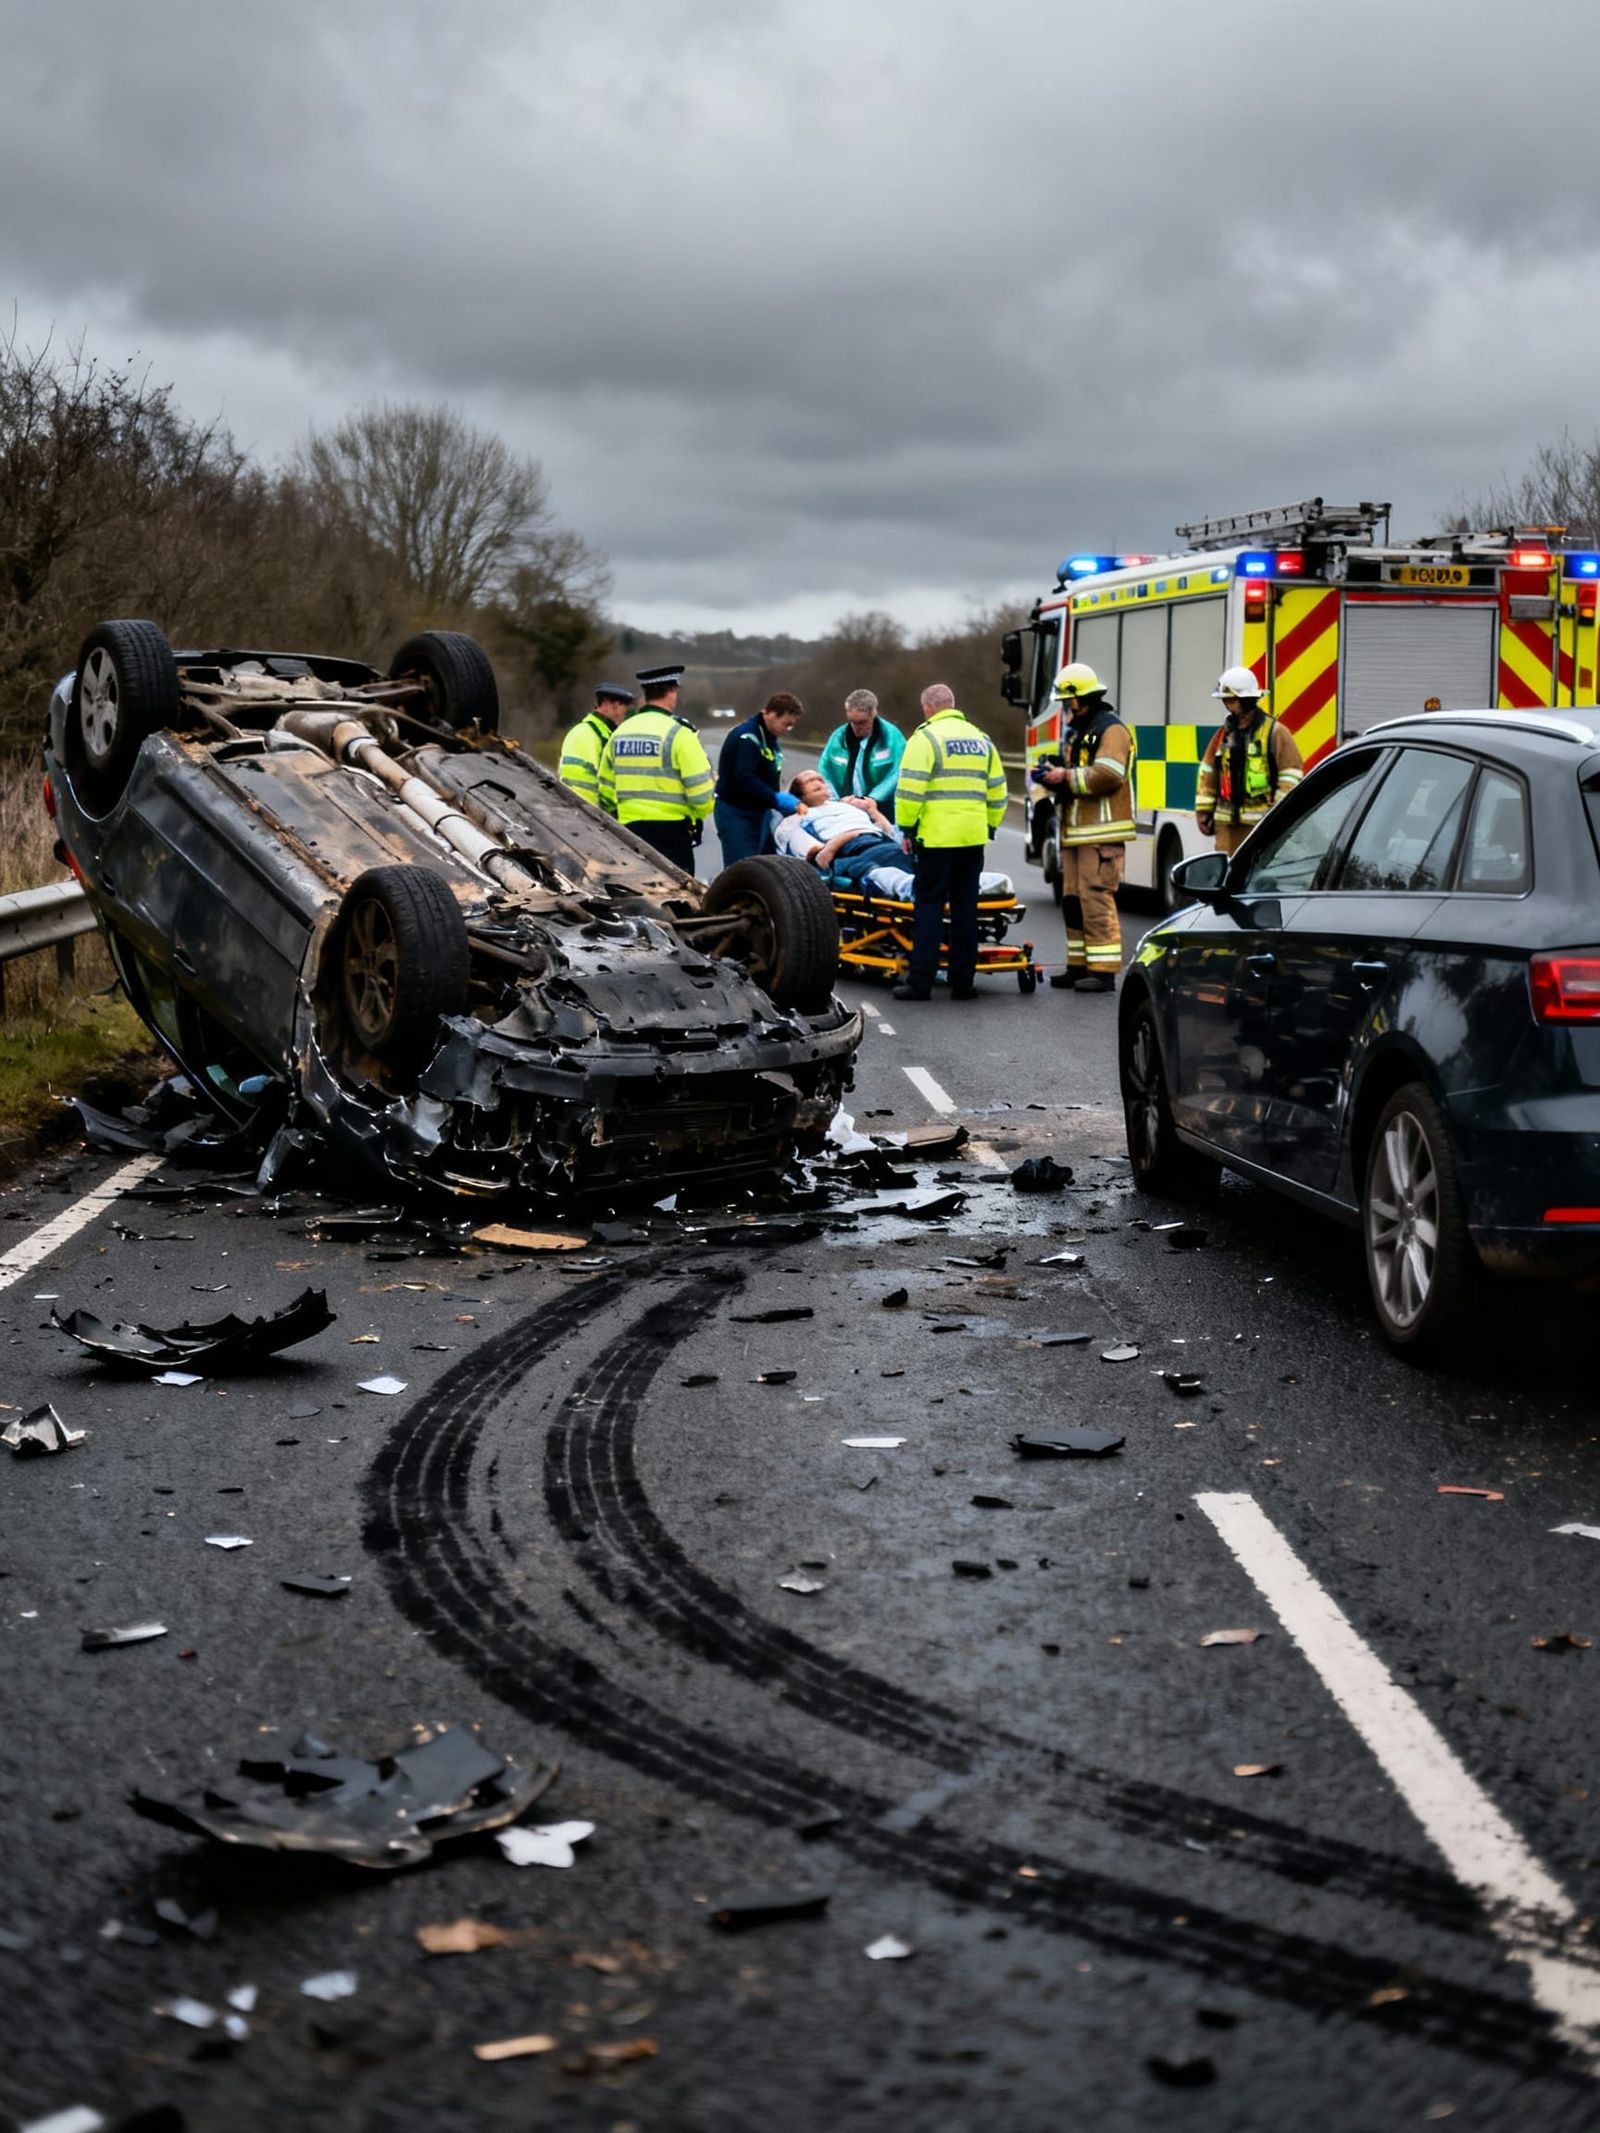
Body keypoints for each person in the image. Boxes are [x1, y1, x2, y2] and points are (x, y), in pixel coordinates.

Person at [890, 684, 1008, 1002]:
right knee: (965, 911)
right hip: (972, 839)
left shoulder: (925, 738)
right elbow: (997, 789)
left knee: (929, 908)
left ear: (928, 707)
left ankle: (920, 983)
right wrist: (990, 825)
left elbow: (910, 791)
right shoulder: (981, 739)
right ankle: (963, 984)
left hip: (936, 839)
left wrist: (907, 828)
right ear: (952, 705)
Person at [1033, 663, 1134, 993]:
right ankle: (1078, 966)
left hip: (1101, 833)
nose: (1064, 709)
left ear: (1081, 699)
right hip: (1075, 832)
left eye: (1066, 702)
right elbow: (1080, 771)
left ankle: (1103, 971)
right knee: (1073, 900)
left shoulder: (1112, 730)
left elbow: (1108, 774)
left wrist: (1066, 777)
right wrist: (1054, 773)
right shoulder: (1080, 731)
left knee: (1096, 899)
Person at [775, 768, 1012, 900]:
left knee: (923, 860)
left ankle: (971, 884)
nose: (818, 781)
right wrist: (844, 839)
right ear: (799, 793)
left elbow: (893, 835)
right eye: (809, 781)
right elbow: (819, 856)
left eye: (820, 779)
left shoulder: (848, 806)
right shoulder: (797, 821)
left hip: (883, 843)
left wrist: (874, 812)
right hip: (855, 852)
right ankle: (913, 888)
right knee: (877, 871)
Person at [598, 664, 714, 873]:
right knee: (679, 900)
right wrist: (698, 813)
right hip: (672, 835)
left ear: (647, 693)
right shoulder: (680, 734)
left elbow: (605, 790)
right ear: (671, 692)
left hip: (628, 833)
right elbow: (701, 796)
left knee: (635, 898)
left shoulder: (620, 733)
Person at [1195, 667, 1304, 853]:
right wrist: (1204, 810)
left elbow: (1291, 775)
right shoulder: (1223, 734)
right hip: (1227, 827)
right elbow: (1208, 772)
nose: (1226, 704)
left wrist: (1277, 814)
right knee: (1228, 877)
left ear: (1245, 700)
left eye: (1231, 699)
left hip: (1262, 828)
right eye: (1225, 700)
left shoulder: (1274, 732)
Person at [712, 690, 805, 866]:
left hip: (760, 813)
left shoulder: (769, 738)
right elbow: (744, 778)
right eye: (786, 724)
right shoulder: (747, 737)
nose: (787, 730)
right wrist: (775, 798)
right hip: (736, 813)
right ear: (771, 714)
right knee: (743, 868)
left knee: (766, 866)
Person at [818, 688, 906, 808]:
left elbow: (898, 771)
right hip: (845, 807)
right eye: (851, 722)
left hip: (882, 810)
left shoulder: (891, 737)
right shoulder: (838, 737)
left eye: (861, 723)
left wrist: (873, 799)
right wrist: (835, 800)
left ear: (873, 713)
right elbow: (825, 768)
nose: (855, 728)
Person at [557, 682, 634, 811]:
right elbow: (606, 788)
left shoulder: (578, 731)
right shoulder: (601, 737)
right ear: (612, 705)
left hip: (569, 807)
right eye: (623, 710)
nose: (623, 717)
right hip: (591, 813)